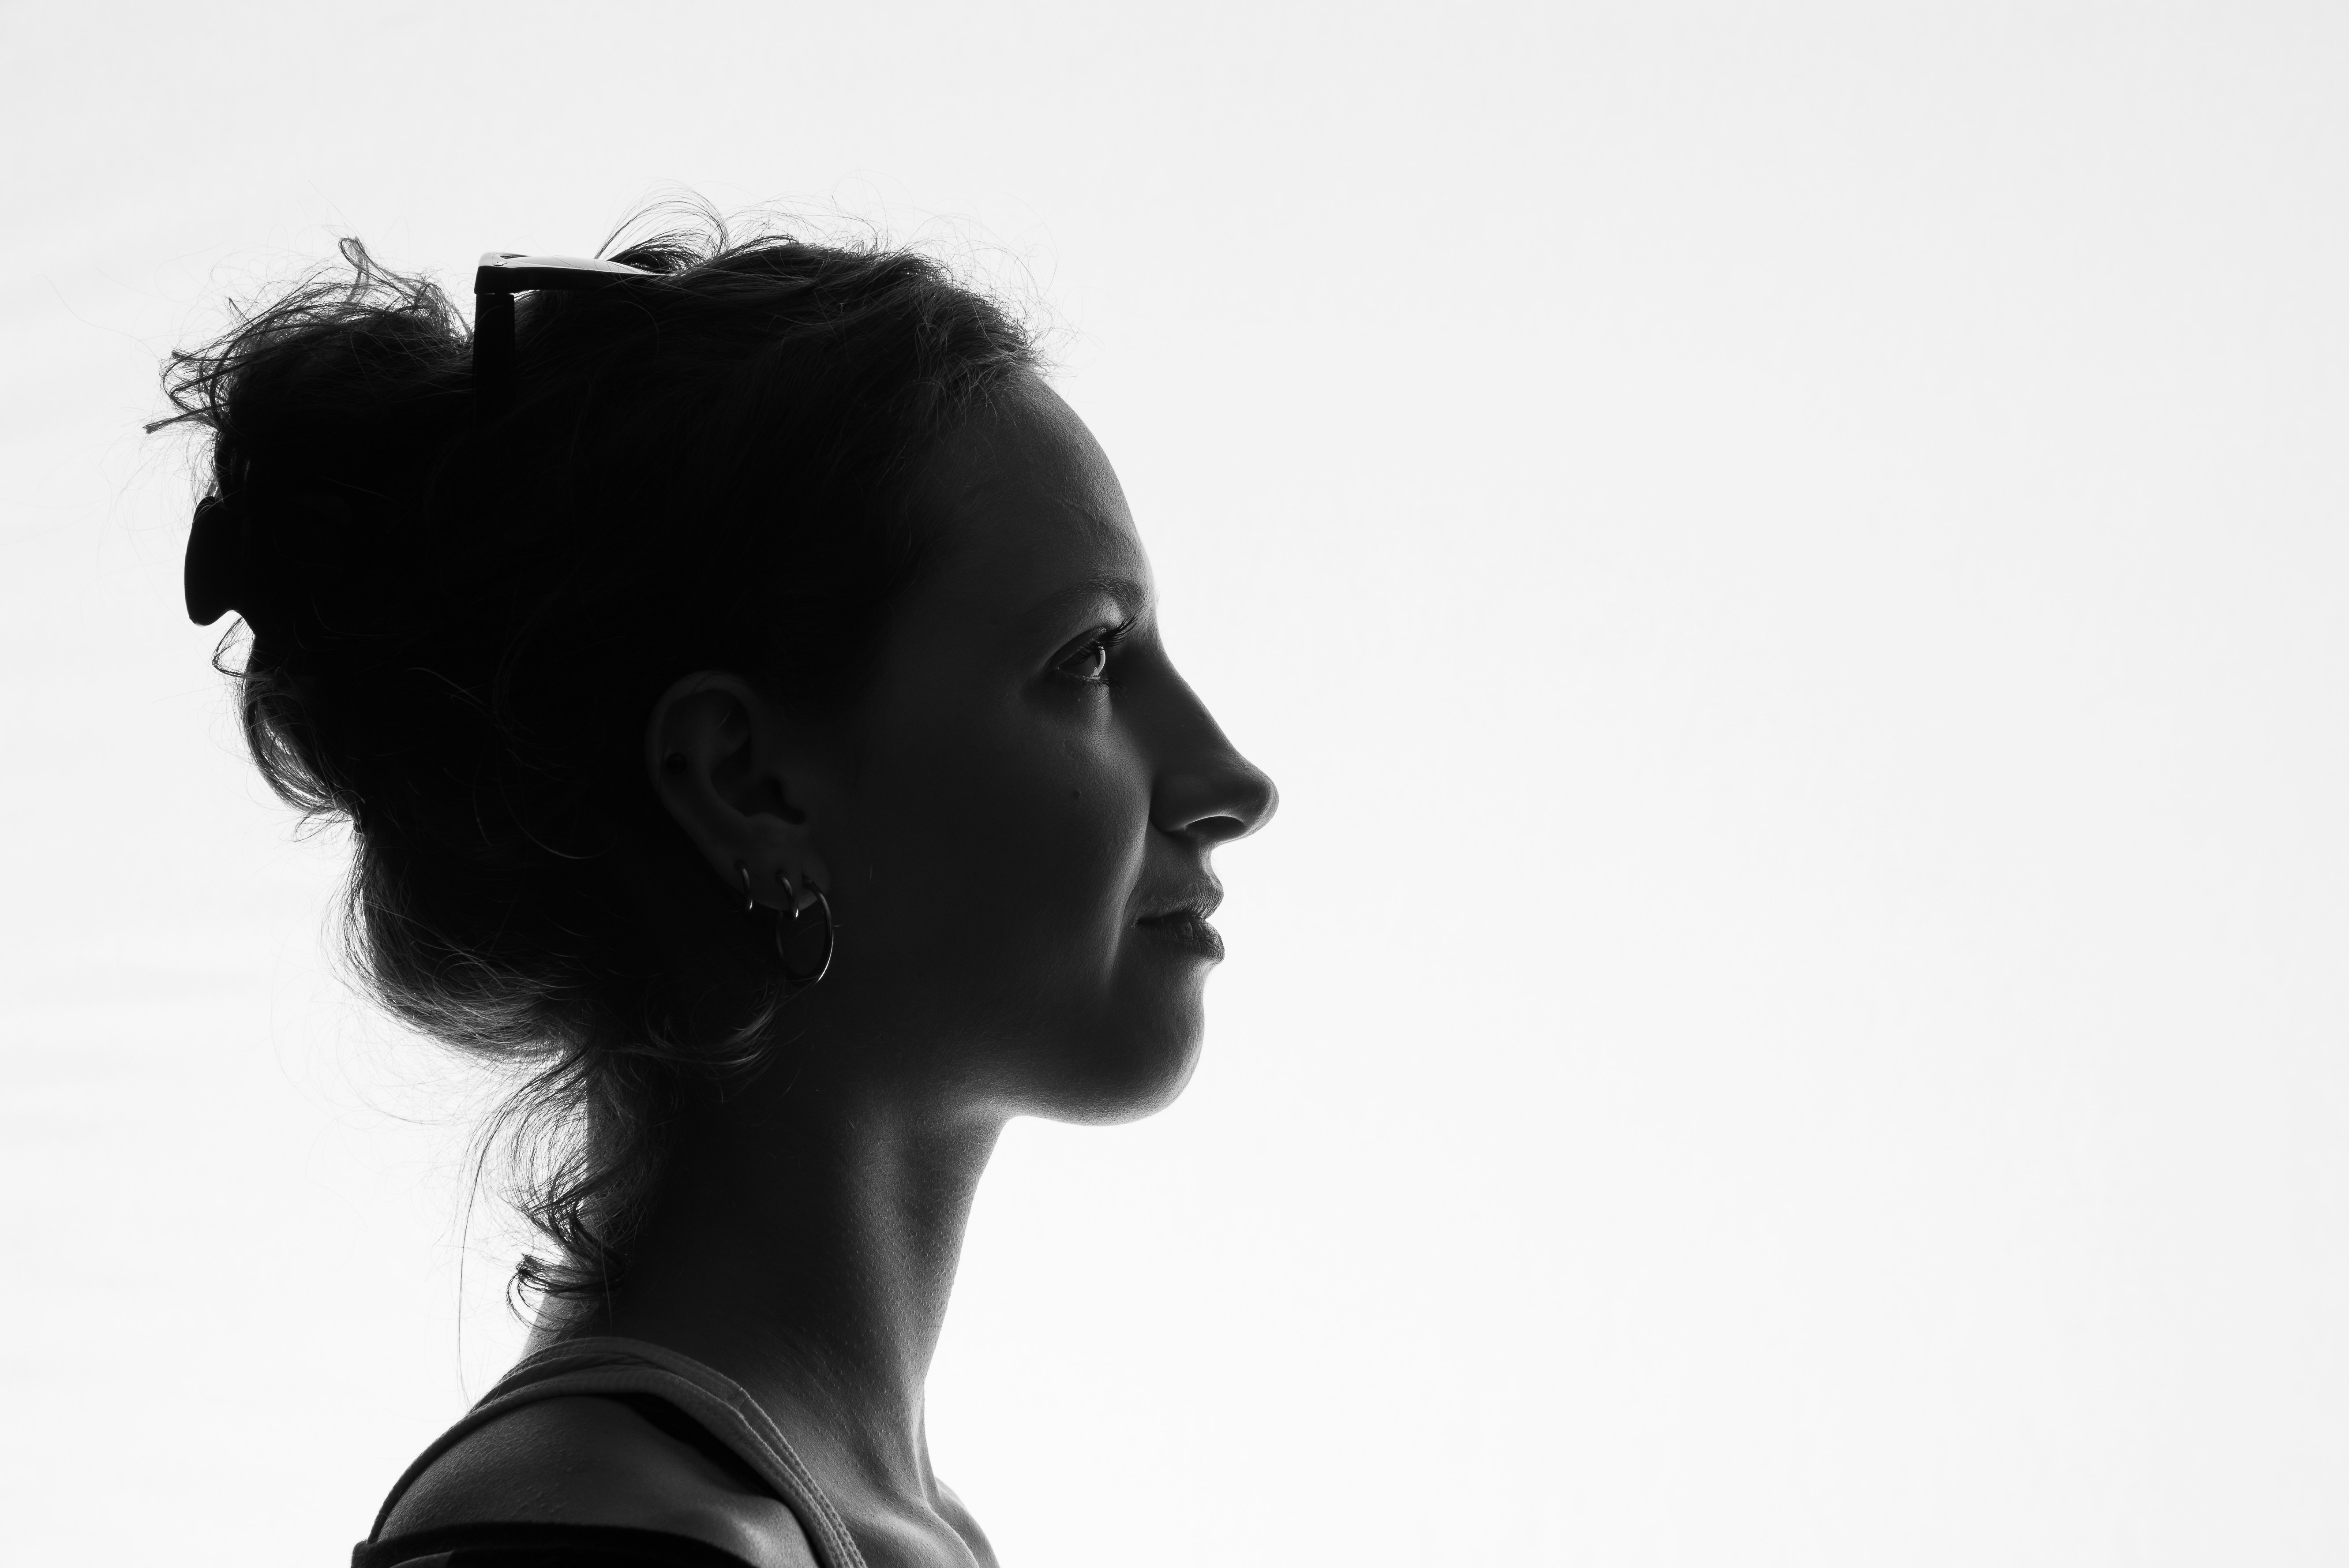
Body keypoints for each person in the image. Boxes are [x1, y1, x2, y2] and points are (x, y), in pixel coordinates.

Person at [157, 212, 1278, 1568]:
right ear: (748, 785)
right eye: (1089, 659)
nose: (1231, 777)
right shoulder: (610, 1543)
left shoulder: (847, 1528)